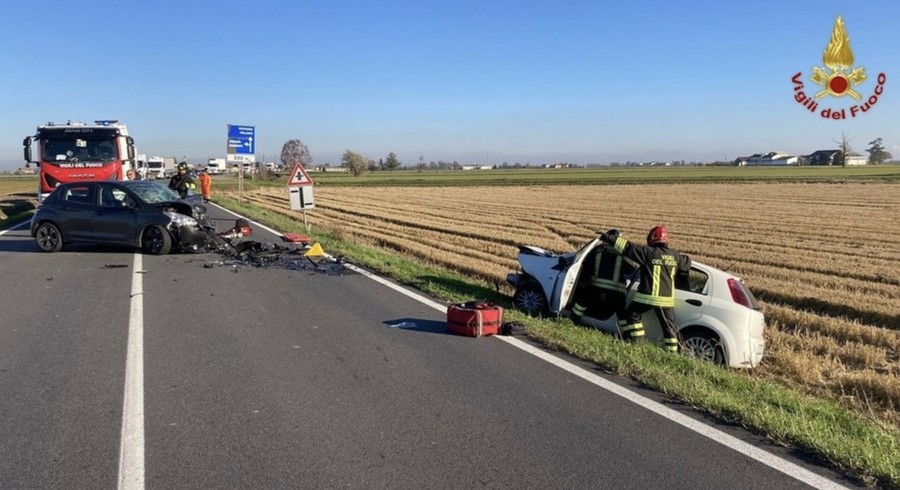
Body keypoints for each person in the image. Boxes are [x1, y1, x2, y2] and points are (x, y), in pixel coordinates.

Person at [601, 226, 691, 353]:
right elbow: (687, 262)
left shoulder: (648, 252)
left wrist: (608, 238)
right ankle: (671, 354)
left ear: (652, 238)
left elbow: (628, 248)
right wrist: (682, 277)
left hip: (647, 297)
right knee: (669, 328)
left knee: (631, 315)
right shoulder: (675, 256)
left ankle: (637, 340)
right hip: (666, 300)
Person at [571, 230, 634, 336]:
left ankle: (572, 321)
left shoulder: (597, 250)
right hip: (617, 292)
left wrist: (584, 281)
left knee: (582, 302)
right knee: (621, 313)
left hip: (597, 288)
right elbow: (631, 269)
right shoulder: (624, 253)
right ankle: (627, 334)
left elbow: (586, 266)